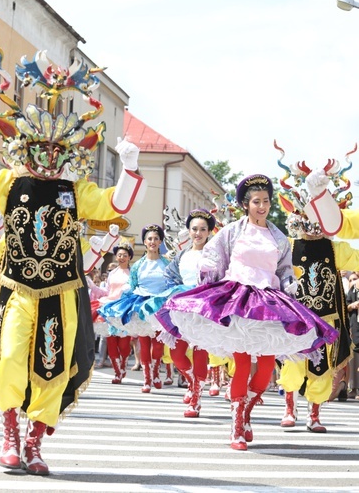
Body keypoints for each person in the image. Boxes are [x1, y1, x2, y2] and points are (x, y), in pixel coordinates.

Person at [0, 40, 146, 474]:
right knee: (13, 356)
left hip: (62, 293)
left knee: (52, 367)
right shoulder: (9, 183)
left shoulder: (76, 190)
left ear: (69, 153)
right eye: (40, 150)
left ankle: (35, 442)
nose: (48, 160)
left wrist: (129, 169)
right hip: (16, 289)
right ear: (25, 148)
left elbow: (116, 204)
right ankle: (10, 432)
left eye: (57, 153)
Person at [157, 174, 338, 451]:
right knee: (243, 364)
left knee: (265, 371)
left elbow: (284, 271)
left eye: (265, 201)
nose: (262, 206)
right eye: (256, 201)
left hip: (268, 302)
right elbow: (213, 257)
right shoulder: (232, 231)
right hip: (238, 301)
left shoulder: (278, 237)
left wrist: (291, 284)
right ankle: (237, 425)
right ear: (245, 204)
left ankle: (246, 411)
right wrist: (210, 285)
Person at [274, 149, 357, 431]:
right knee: (293, 366)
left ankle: (314, 414)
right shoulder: (287, 245)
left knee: (321, 369)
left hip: (327, 319)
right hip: (296, 319)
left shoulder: (335, 248)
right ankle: (289, 409)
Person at [153, 209, 214, 417]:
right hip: (182, 305)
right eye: (194, 229)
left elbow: (220, 276)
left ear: (209, 232)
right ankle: (191, 382)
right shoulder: (183, 254)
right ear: (188, 231)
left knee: (200, 354)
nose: (198, 233)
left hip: (204, 307)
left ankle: (196, 399)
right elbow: (170, 274)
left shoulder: (213, 254)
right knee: (176, 354)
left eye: (202, 229)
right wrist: (175, 291)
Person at [99, 225, 170, 393]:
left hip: (160, 306)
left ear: (160, 241)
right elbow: (132, 285)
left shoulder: (167, 263)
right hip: (142, 306)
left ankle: (156, 372)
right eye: (149, 239)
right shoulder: (138, 265)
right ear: (145, 242)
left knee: (158, 345)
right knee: (144, 343)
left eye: (156, 238)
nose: (152, 242)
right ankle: (147, 379)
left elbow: (171, 282)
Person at [94, 243, 133, 381]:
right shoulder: (112, 273)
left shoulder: (133, 273)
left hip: (125, 310)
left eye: (125, 255)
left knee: (123, 345)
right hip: (110, 309)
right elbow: (107, 291)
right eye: (119, 255)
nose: (121, 257)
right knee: (110, 342)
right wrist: (94, 288)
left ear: (129, 257)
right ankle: (117, 373)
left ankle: (123, 364)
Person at [346, 272, 359, 399]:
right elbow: (346, 306)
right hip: (355, 325)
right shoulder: (352, 290)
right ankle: (353, 388)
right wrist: (353, 305)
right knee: (354, 357)